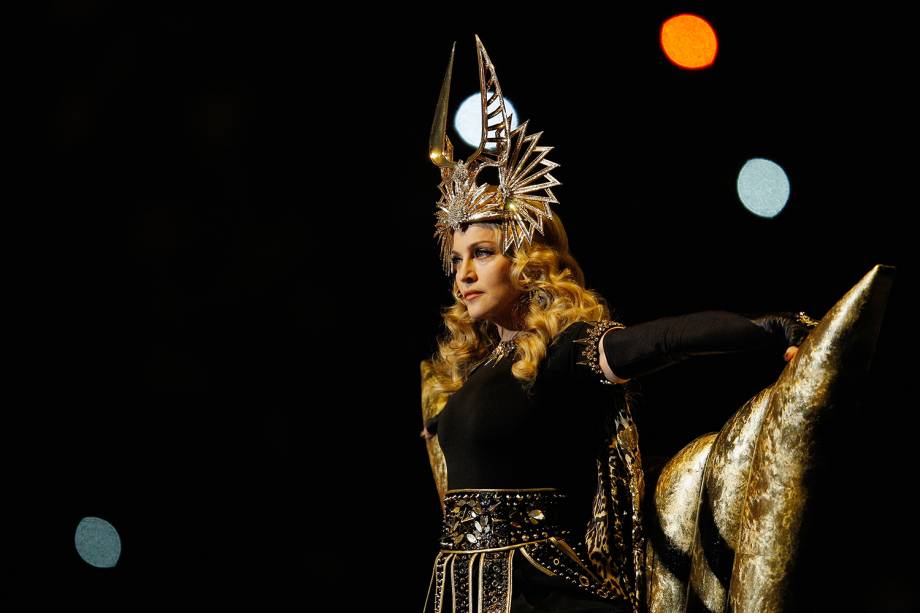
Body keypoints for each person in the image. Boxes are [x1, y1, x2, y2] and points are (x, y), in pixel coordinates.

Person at [420, 36, 817, 613]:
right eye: (456, 261)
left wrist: (776, 329)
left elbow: (665, 339)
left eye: (482, 253)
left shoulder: (563, 352)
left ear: (526, 258)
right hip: (458, 590)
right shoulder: (472, 369)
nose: (464, 276)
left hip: (535, 590)